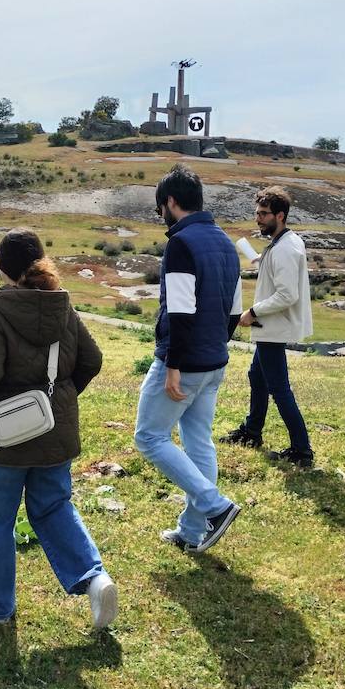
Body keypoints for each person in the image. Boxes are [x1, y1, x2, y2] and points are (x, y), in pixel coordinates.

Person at [0, 229, 115, 627]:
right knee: (53, 506)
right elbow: (92, 359)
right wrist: (57, 399)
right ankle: (95, 579)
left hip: (7, 436)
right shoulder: (63, 305)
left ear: (2, 267)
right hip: (54, 432)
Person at [134, 165, 245, 553]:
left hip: (185, 360)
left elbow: (180, 310)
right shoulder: (226, 243)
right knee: (199, 441)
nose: (160, 215)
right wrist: (217, 346)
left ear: (170, 202)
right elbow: (234, 310)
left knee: (149, 436)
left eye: (158, 208)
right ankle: (192, 533)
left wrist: (175, 363)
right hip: (215, 359)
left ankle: (216, 506)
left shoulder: (181, 244)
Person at [223, 186, 315, 468]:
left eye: (264, 214)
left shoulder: (285, 248)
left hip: (273, 327)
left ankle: (302, 451)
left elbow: (287, 295)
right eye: (257, 214)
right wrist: (261, 260)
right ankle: (252, 432)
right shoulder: (283, 243)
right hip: (270, 327)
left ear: (281, 215)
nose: (258, 220)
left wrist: (252, 311)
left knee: (279, 388)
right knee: (257, 376)